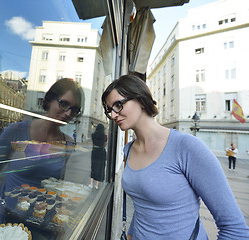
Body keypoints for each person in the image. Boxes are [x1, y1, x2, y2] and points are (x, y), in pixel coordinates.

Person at [101, 74, 249, 239]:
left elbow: (235, 230)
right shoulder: (128, 150)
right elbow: (143, 205)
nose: (113, 115)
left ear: (141, 99)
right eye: (109, 110)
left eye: (118, 105)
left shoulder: (186, 147)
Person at [0, 78, 84, 226]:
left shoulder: (68, 143)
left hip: (43, 226)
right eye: (64, 103)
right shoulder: (16, 131)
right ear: (50, 100)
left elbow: (60, 189)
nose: (68, 113)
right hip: (7, 223)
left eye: (74, 109)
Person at [89, 124, 107, 189]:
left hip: (95, 151)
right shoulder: (104, 136)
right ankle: (97, 185)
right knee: (100, 168)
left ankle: (91, 184)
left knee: (93, 167)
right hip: (101, 152)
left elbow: (93, 143)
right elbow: (105, 144)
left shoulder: (93, 135)